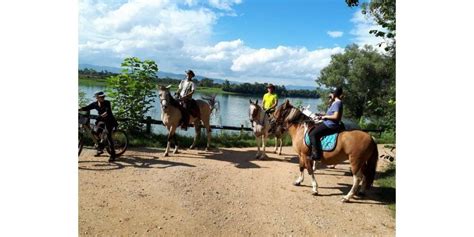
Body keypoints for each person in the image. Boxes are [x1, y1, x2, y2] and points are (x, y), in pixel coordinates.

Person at [79, 91, 118, 162]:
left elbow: (107, 112)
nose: (103, 98)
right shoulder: (95, 104)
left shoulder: (107, 102)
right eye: (101, 97)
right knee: (96, 133)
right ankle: (101, 147)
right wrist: (79, 109)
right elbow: (86, 108)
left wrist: (101, 116)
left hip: (110, 121)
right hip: (102, 121)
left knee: (109, 137)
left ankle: (113, 155)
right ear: (97, 97)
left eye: (103, 96)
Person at [308, 87, 344, 161]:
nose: (330, 96)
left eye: (331, 94)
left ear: (334, 94)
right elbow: (330, 113)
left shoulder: (337, 103)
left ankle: (316, 154)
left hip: (330, 125)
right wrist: (321, 115)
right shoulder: (335, 103)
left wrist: (325, 117)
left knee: (312, 134)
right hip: (328, 123)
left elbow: (336, 116)